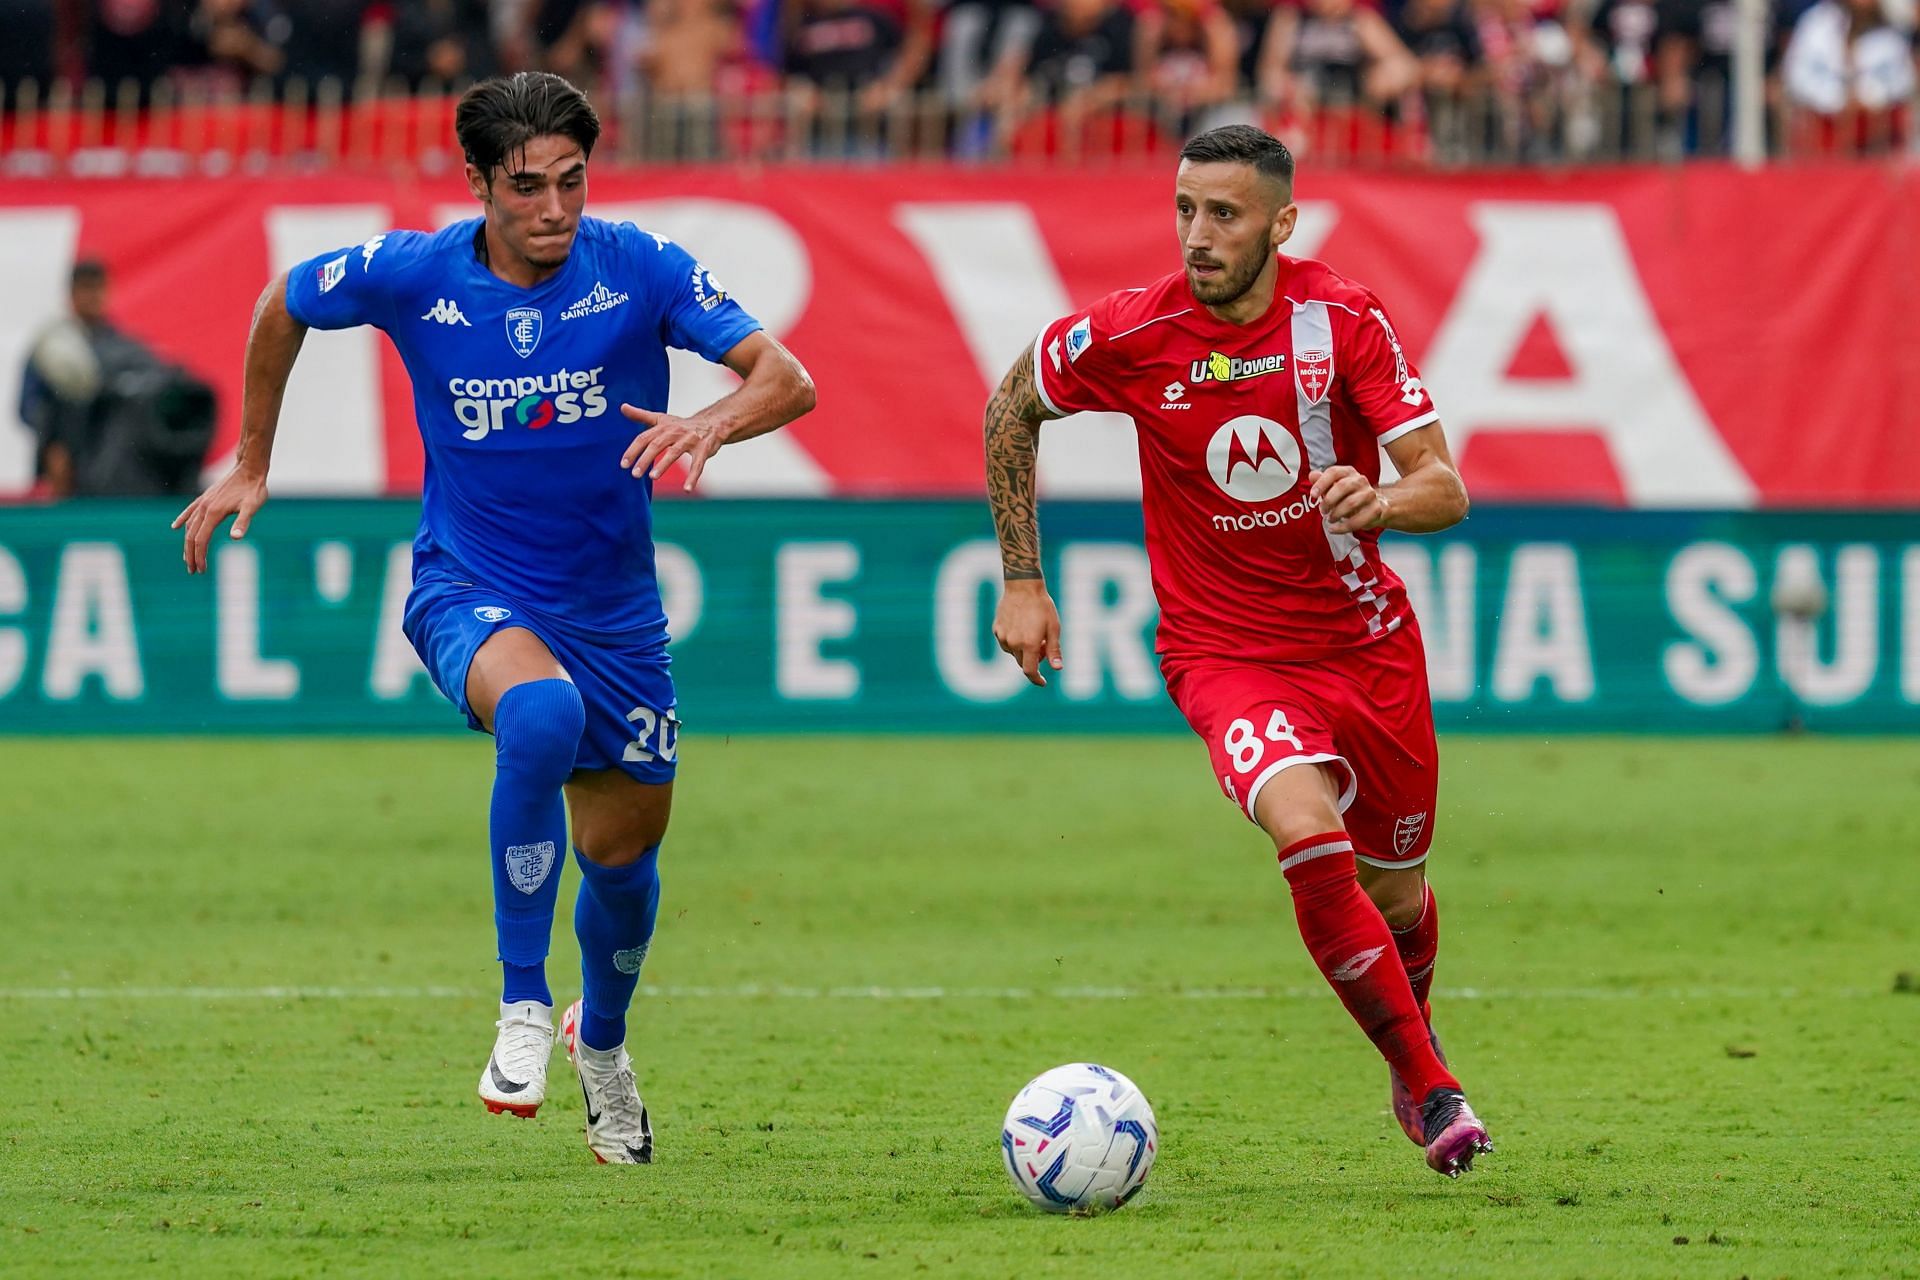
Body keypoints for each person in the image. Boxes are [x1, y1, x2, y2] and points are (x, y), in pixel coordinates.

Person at [172, 71, 816, 1164]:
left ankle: (599, 1045)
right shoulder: (416, 273)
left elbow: (786, 377)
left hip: (615, 616)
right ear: (476, 182)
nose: (555, 208)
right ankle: (523, 1002)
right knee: (538, 718)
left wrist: (713, 420)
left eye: (571, 181)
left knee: (621, 863)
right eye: (526, 187)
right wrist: (250, 459)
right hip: (467, 584)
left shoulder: (641, 267)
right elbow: (284, 298)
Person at [982, 123, 1491, 1178]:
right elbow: (1012, 402)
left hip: (1366, 647)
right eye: (1185, 210)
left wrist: (1383, 497)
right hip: (1227, 653)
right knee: (1306, 830)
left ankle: (1408, 1045)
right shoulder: (1133, 329)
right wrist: (1022, 576)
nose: (1198, 235)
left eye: (1224, 214)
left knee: (1396, 901)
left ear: (1281, 222)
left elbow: (1445, 484)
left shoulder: (1343, 319)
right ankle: (1432, 1080)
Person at [21, 259, 215, 498]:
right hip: (72, 471)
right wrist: (53, 446)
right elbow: (29, 406)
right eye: (86, 289)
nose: (92, 297)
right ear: (72, 294)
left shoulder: (129, 350)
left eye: (98, 288)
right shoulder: (52, 351)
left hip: (125, 470)